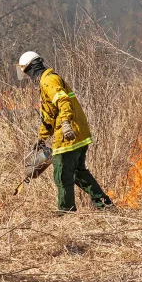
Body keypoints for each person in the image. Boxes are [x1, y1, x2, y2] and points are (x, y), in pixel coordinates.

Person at [16, 51, 114, 212]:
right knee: (78, 173)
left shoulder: (48, 81)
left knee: (61, 173)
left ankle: (66, 212)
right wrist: (41, 138)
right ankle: (104, 204)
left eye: (26, 72)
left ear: (31, 69)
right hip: (79, 133)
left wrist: (66, 123)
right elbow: (48, 117)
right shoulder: (47, 81)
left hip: (69, 133)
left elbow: (63, 101)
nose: (27, 77)